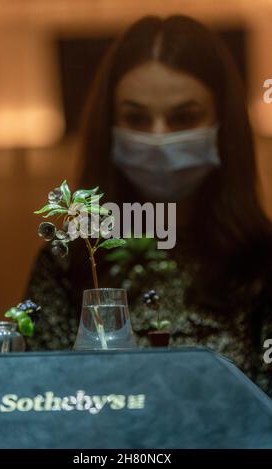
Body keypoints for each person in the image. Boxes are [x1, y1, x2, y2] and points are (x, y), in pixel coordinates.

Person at [24, 15, 272, 397]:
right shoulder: (68, 264)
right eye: (136, 118)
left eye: (184, 117)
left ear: (224, 125)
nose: (158, 137)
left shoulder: (261, 265)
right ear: (110, 127)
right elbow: (33, 407)